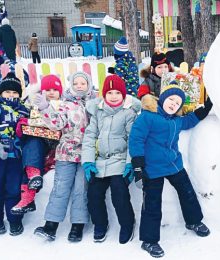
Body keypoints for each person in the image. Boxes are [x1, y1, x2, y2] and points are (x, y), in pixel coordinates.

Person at [129, 82, 213, 258]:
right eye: (171, 99)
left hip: (174, 164)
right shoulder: (148, 117)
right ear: (162, 99)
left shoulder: (176, 121)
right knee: (152, 204)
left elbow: (190, 120)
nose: (173, 104)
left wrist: (206, 108)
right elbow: (136, 139)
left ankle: (194, 221)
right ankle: (149, 240)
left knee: (187, 192)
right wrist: (138, 165)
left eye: (177, 103)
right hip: (152, 168)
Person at [33, 71, 95, 242]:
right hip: (66, 152)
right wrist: (46, 108)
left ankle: (78, 225)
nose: (79, 86)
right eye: (76, 84)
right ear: (71, 86)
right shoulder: (66, 105)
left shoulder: (95, 104)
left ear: (89, 85)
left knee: (80, 189)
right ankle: (50, 225)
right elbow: (56, 124)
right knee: (60, 187)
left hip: (87, 154)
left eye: (83, 83)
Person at [82, 74, 141, 243]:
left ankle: (127, 224)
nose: (113, 96)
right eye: (110, 93)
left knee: (119, 192)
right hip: (100, 161)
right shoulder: (98, 113)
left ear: (123, 95)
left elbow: (133, 140)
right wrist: (88, 162)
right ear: (104, 95)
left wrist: (130, 163)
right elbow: (89, 138)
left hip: (120, 161)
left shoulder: (129, 114)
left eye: (117, 93)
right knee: (94, 193)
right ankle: (100, 224)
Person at [0, 72, 30, 236]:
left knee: (14, 189)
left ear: (19, 94)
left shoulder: (24, 110)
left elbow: (28, 130)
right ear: (1, 92)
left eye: (15, 92)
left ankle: (15, 220)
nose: (11, 95)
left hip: (16, 158)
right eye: (7, 92)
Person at [11, 74, 63, 215]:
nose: (51, 92)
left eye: (54, 89)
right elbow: (27, 124)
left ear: (60, 92)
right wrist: (25, 125)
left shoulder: (64, 105)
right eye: (47, 90)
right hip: (39, 139)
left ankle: (30, 190)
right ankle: (32, 183)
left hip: (57, 142)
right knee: (32, 144)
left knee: (32, 148)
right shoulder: (34, 105)